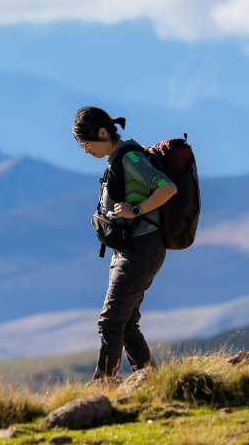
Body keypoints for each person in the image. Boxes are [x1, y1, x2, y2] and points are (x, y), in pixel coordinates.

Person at [72, 107, 178, 381]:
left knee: (111, 321)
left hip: (143, 248)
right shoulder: (117, 160)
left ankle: (103, 386)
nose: (85, 151)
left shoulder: (130, 158)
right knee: (126, 321)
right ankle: (150, 380)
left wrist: (137, 209)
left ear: (103, 133)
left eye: (85, 143)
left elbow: (167, 187)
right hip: (130, 249)